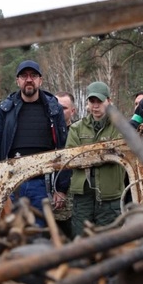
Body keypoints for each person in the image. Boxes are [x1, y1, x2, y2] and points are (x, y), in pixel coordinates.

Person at [0, 60, 69, 226]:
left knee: (40, 234)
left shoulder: (53, 109)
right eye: (24, 76)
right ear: (18, 81)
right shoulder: (5, 109)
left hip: (42, 183)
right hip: (11, 182)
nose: (29, 79)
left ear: (40, 80)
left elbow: (63, 148)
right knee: (10, 233)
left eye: (33, 75)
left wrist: (61, 188)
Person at [67, 81, 124, 237]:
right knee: (81, 240)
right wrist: (103, 154)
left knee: (109, 242)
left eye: (100, 101)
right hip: (83, 196)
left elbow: (119, 153)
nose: (96, 105)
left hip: (109, 195)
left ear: (109, 102)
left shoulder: (119, 126)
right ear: (88, 103)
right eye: (92, 101)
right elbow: (72, 158)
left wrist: (87, 155)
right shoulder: (76, 128)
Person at [54, 91, 77, 238]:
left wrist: (62, 190)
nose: (58, 111)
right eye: (56, 107)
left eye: (63, 108)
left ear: (73, 111)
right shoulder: (46, 131)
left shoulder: (77, 132)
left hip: (70, 200)